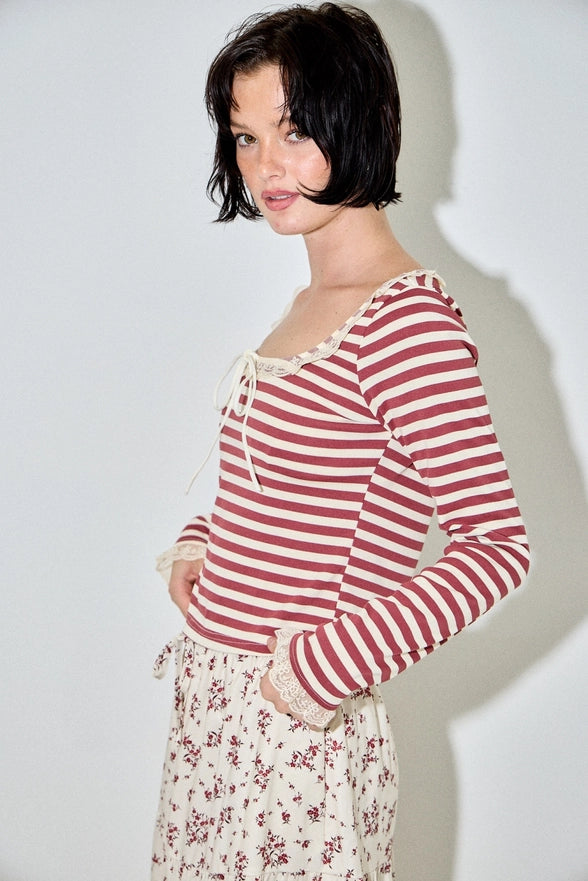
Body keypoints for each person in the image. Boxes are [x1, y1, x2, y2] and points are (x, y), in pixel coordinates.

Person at [150, 4, 530, 879]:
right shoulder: (308, 305)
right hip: (217, 712)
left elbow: (496, 546)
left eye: (294, 130)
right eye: (246, 138)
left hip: (295, 732)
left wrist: (321, 670)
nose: (265, 166)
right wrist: (205, 546)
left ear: (359, 119)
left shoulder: (406, 321)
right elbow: (291, 490)